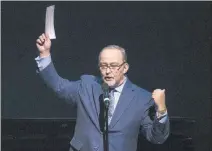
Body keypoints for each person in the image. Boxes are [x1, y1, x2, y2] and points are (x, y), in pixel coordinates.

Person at [35, 33, 169, 151]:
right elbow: (60, 86)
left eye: (113, 66)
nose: (108, 71)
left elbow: (156, 137)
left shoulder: (141, 98)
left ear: (125, 67)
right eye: (104, 66)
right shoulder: (87, 85)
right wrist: (44, 54)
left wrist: (161, 110)